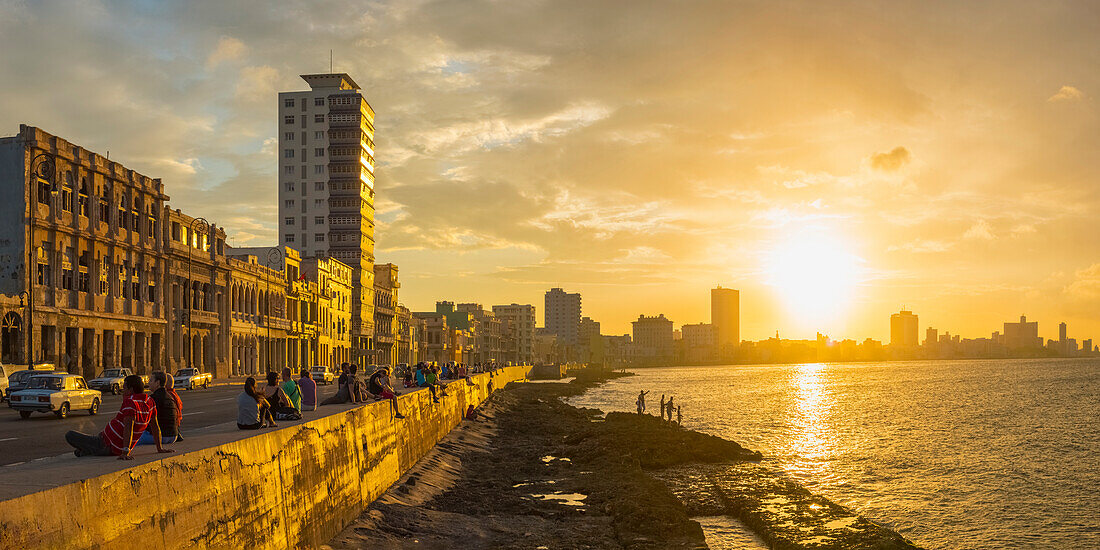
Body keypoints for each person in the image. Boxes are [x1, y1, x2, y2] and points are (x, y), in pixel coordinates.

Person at [66, 375, 173, 459]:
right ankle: (86, 451)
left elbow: (128, 427)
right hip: (108, 441)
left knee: (70, 435)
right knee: (81, 450)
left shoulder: (131, 402)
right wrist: (159, 448)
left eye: (124, 387)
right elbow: (155, 426)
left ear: (131, 389)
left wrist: (125, 451)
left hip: (107, 444)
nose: (122, 389)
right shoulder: (150, 402)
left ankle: (89, 451)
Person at [138, 372, 179, 445]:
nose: (148, 383)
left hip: (162, 436)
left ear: (157, 383)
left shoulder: (153, 398)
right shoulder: (169, 397)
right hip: (173, 436)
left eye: (151, 380)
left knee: (133, 439)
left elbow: (146, 421)